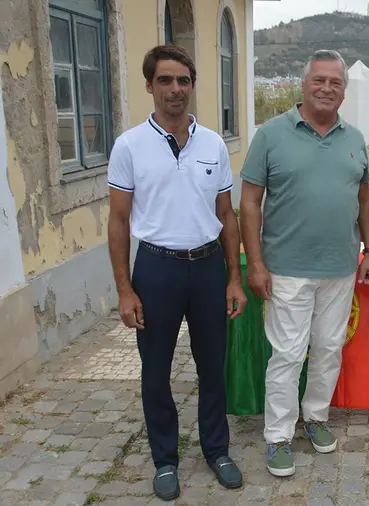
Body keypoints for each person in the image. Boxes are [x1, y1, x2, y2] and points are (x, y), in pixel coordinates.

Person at [107, 44, 246, 501]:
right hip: (157, 270)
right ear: (149, 85)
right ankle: (165, 460)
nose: (175, 89)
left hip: (207, 268)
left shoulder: (212, 144)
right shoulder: (129, 145)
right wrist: (125, 290)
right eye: (165, 80)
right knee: (156, 372)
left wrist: (233, 277)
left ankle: (216, 451)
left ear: (192, 85)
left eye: (183, 80)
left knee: (212, 367)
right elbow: (119, 221)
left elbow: (227, 214)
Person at [239, 49, 369, 477]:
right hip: (286, 269)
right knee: (287, 354)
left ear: (344, 90)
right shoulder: (271, 134)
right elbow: (248, 202)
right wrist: (256, 264)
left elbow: (364, 199)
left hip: (339, 268)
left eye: (335, 83)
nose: (326, 88)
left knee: (329, 349)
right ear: (303, 84)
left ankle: (315, 417)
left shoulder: (355, 138)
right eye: (319, 80)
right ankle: (279, 436)